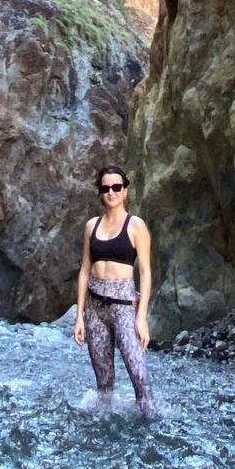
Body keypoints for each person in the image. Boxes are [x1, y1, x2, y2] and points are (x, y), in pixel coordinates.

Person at [73, 164, 155, 418]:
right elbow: (84, 270)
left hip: (124, 306)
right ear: (100, 192)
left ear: (125, 190)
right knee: (104, 378)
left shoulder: (136, 225)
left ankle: (150, 420)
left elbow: (146, 272)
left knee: (138, 372)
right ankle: (105, 425)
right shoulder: (91, 226)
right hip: (95, 308)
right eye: (106, 188)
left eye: (117, 187)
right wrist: (79, 316)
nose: (111, 192)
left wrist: (141, 317)